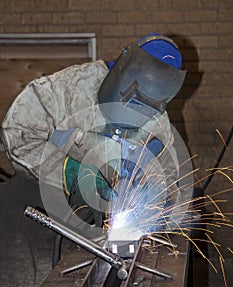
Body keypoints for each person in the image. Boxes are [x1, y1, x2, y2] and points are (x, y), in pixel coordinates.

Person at [1, 32, 186, 232]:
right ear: (123, 67)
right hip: (37, 214)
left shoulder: (158, 119)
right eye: (133, 101)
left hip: (98, 225)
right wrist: (70, 171)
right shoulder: (67, 88)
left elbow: (168, 175)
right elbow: (18, 135)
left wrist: (157, 198)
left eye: (146, 108)